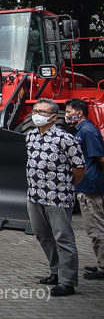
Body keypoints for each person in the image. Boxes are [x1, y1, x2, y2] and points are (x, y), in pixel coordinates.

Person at [25, 98, 85, 297]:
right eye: (35, 110)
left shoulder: (65, 139)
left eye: (42, 112)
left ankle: (68, 282)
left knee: (64, 239)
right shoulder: (31, 136)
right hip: (34, 195)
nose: (36, 115)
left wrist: (66, 185)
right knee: (43, 235)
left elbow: (79, 167)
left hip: (58, 197)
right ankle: (55, 272)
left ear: (52, 116)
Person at [65, 99, 104, 281]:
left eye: (68, 112)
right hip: (86, 186)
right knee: (93, 228)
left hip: (91, 188)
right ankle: (100, 263)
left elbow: (100, 158)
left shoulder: (87, 131)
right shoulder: (81, 131)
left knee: (97, 228)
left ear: (79, 113)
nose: (66, 115)